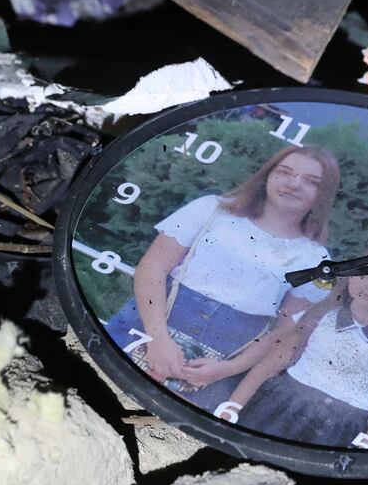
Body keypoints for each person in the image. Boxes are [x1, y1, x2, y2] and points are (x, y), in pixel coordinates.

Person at [103, 144, 341, 408]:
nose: (294, 184)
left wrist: (225, 370)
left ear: (323, 195)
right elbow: (153, 267)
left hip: (218, 364)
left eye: (311, 181)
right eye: (285, 172)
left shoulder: (316, 260)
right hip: (147, 327)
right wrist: (157, 339)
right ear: (267, 174)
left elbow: (285, 329)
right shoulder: (210, 209)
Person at [205, 261, 368, 450]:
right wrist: (233, 406)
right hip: (274, 408)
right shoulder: (317, 317)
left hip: (334, 434)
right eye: (367, 274)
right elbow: (267, 367)